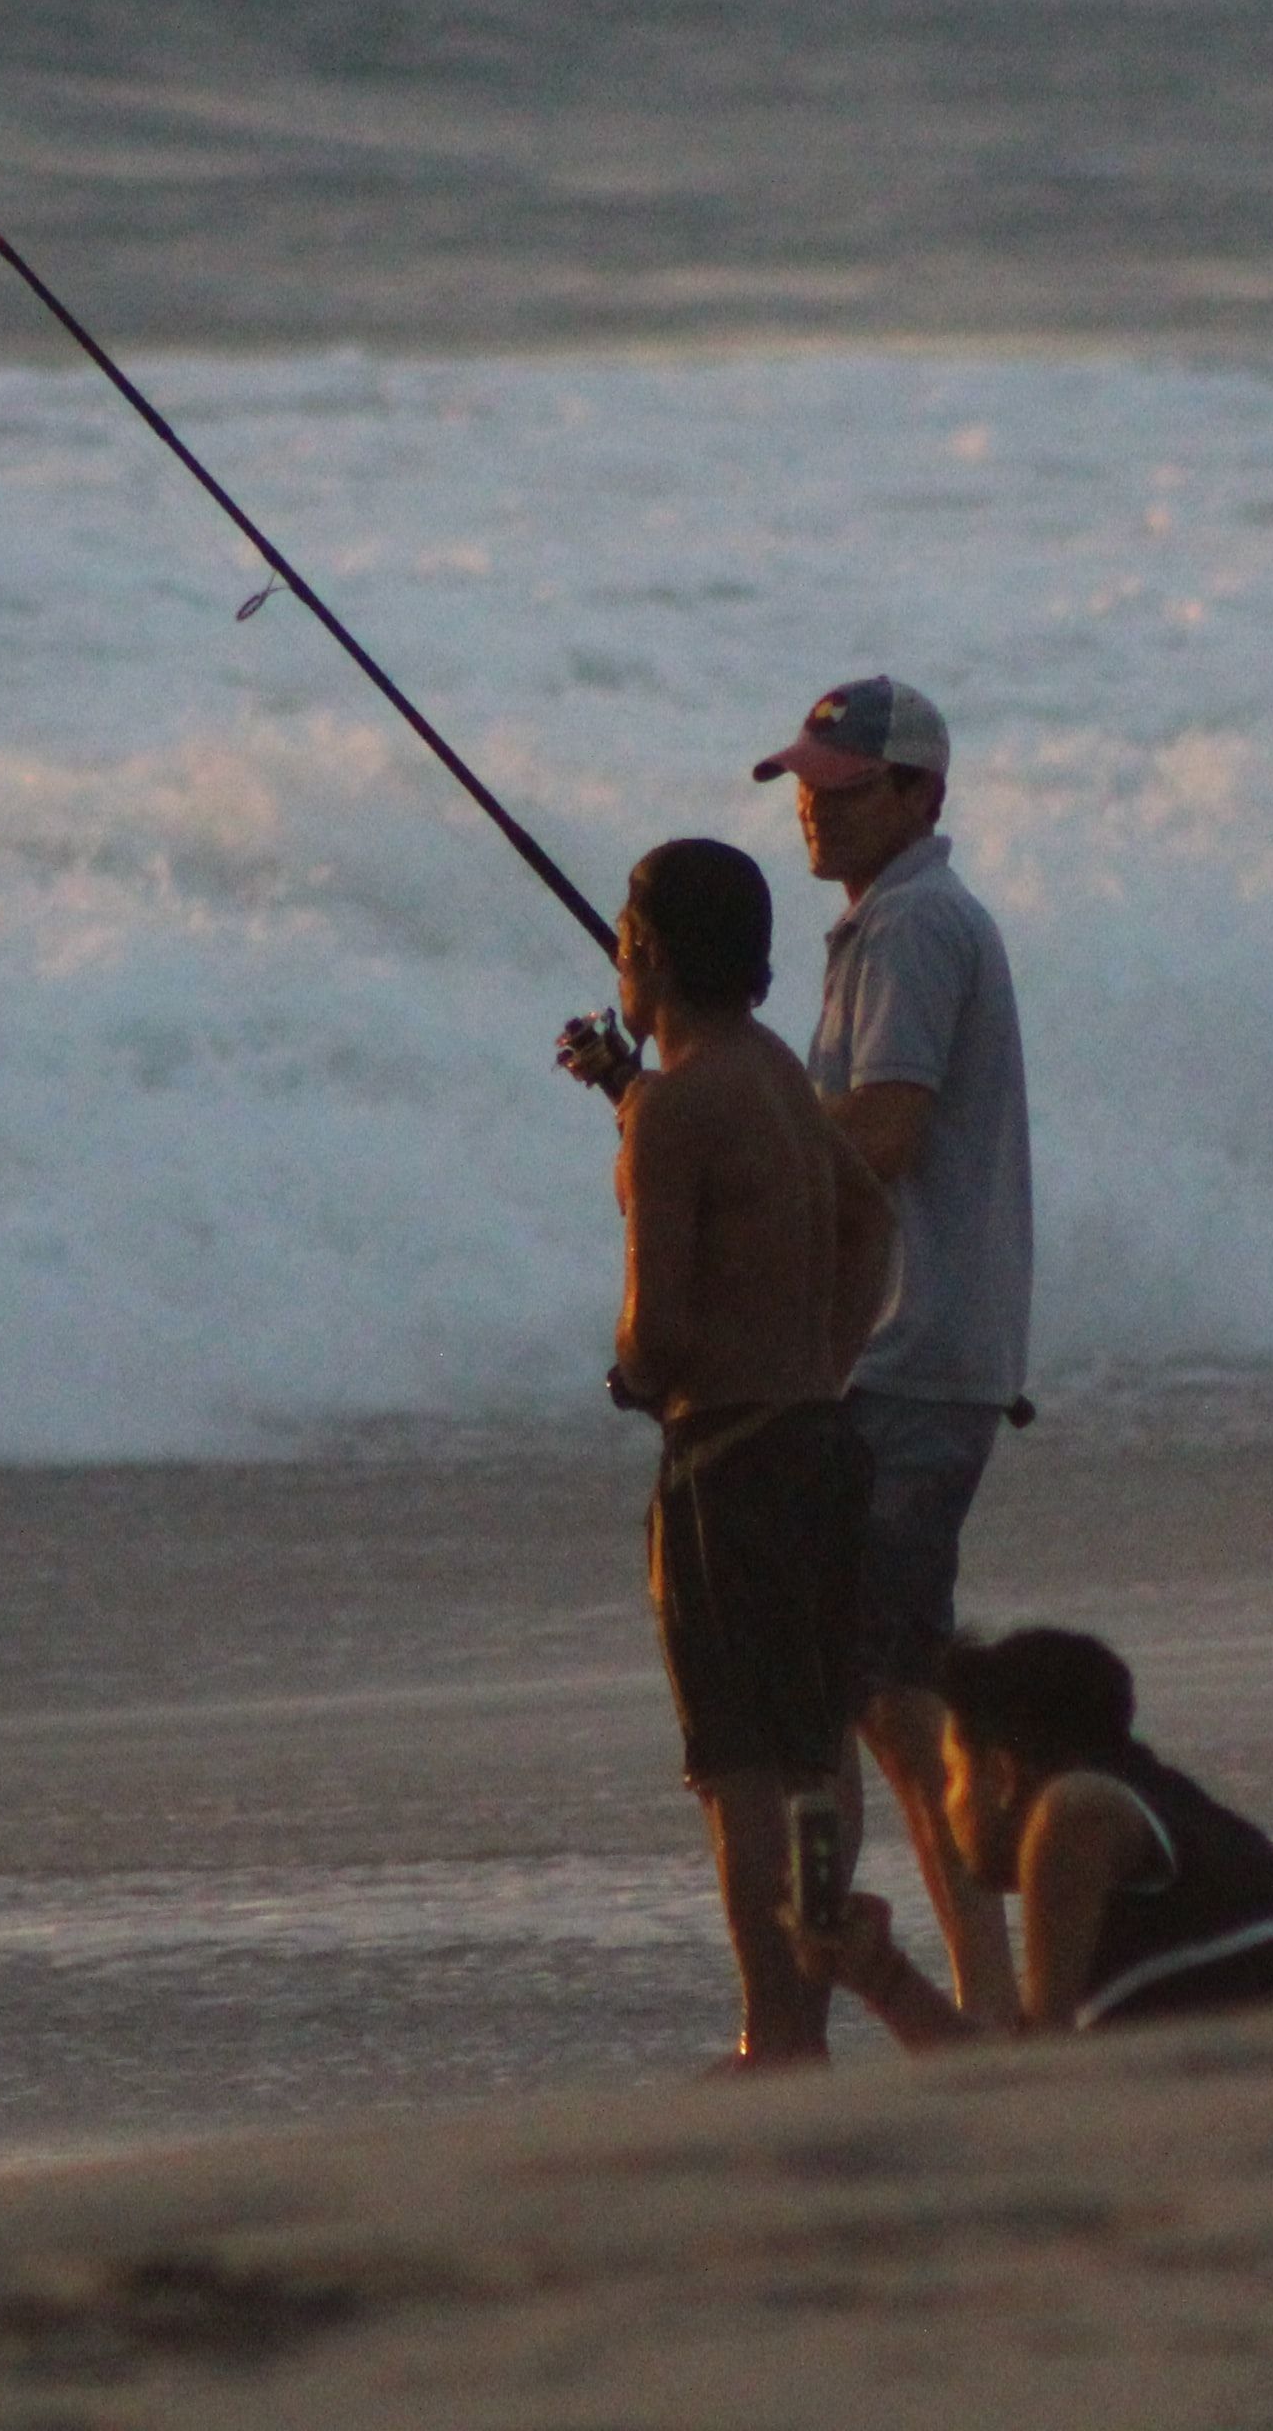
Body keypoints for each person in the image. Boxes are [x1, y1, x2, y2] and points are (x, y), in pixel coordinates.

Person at [559, 836, 897, 2067]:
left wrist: (636, 1381)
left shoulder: (677, 1110)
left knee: (738, 1764)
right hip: (818, 1441)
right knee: (816, 1743)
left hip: (730, 1469)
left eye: (623, 944)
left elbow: (660, 1324)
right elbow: (868, 1219)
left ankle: (774, 2031)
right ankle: (806, 2013)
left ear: (643, 955)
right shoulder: (773, 1081)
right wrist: (827, 1355)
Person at [751, 674, 1040, 2025]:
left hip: (909, 1353)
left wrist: (736, 1141)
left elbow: (881, 1138)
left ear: (918, 794)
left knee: (887, 1689)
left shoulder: (917, 926)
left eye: (842, 787)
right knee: (873, 1685)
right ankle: (960, 1986)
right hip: (907, 1352)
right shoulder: (889, 924)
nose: (813, 810)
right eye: (805, 784)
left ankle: (990, 1996)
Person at [804, 1624, 1273, 2042]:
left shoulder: (1070, 1815)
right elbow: (1017, 2094)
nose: (948, 1800)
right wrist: (882, 1977)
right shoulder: (1164, 1809)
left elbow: (1047, 2079)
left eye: (956, 1774)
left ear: (1004, 1776)